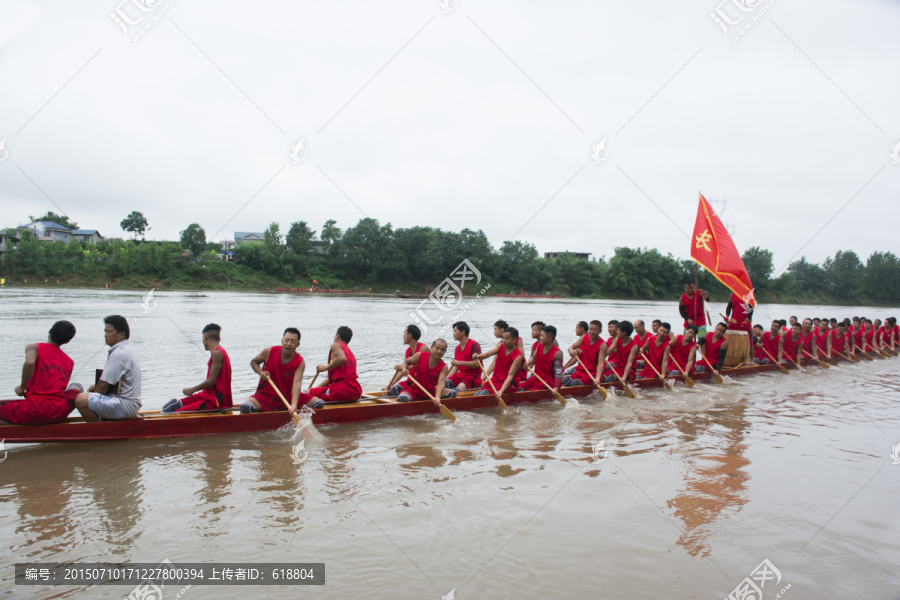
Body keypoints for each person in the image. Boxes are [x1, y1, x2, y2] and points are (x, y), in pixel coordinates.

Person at [0, 321, 78, 426]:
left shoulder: (34, 347)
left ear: (50, 331)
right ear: (67, 341)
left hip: (32, 409)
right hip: (57, 412)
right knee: (76, 386)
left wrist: (22, 387)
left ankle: (17, 427)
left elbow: (30, 362)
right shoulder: (69, 361)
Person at [73, 315, 142, 422]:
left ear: (122, 334)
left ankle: (98, 430)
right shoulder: (126, 349)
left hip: (125, 405)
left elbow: (104, 384)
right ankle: (103, 421)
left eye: (109, 332)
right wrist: (95, 391)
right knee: (92, 392)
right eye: (105, 331)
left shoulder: (119, 354)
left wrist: (93, 397)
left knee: (80, 399)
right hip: (130, 404)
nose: (105, 335)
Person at [163, 324, 232, 413]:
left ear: (205, 337)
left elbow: (212, 380)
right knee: (172, 405)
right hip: (206, 395)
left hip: (215, 402)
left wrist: (192, 390)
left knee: (176, 414)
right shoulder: (217, 352)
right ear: (219, 339)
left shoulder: (217, 353)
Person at [244, 327, 310, 414]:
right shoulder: (269, 351)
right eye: (286, 340)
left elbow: (297, 383)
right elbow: (254, 362)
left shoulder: (300, 362)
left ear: (298, 344)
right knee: (245, 407)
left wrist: (294, 405)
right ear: (282, 340)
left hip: (287, 397)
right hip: (266, 396)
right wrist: (261, 373)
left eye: (293, 342)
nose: (288, 344)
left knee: (319, 404)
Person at [308, 326, 363, 407]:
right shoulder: (350, 353)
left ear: (337, 336)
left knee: (304, 393)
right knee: (309, 392)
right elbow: (330, 380)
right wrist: (313, 390)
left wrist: (325, 368)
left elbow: (342, 358)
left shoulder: (335, 345)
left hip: (340, 391)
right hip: (355, 391)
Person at [390, 339, 455, 405]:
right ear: (432, 348)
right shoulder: (420, 355)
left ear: (445, 351)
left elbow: (441, 382)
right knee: (403, 399)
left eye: (442, 350)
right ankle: (402, 391)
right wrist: (404, 369)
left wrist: (437, 397)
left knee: (453, 393)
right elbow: (406, 362)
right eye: (437, 348)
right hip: (413, 389)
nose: (439, 351)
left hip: (428, 392)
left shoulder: (444, 367)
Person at [473, 328, 524, 397]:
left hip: (508, 385)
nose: (504, 341)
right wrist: (478, 356)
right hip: (494, 381)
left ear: (514, 339)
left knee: (483, 393)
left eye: (507, 338)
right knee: (478, 393)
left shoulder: (518, 356)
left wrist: (501, 391)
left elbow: (510, 376)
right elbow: (487, 354)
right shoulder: (501, 346)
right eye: (503, 338)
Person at [562, 320, 607, 387]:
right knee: (564, 380)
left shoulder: (603, 345)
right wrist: (571, 351)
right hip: (581, 371)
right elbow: (571, 347)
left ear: (600, 331)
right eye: (590, 329)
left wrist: (597, 378)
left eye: (594, 330)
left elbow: (601, 363)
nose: (591, 332)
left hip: (592, 374)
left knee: (575, 383)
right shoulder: (585, 337)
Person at [518, 325, 563, 392]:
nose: (540, 338)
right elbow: (533, 357)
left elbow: (558, 373)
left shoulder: (557, 353)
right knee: (519, 389)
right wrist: (528, 363)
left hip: (549, 382)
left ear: (549, 338)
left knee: (529, 392)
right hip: (537, 378)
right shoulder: (540, 345)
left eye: (542, 336)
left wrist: (556, 388)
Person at [384, 324, 427, 392]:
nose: (403, 336)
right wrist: (390, 385)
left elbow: (422, 368)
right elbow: (402, 370)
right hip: (412, 382)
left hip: (422, 384)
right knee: (394, 389)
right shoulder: (408, 351)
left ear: (410, 335)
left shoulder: (423, 349)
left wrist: (403, 367)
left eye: (404, 333)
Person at [445, 321, 483, 390]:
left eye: (455, 331)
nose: (453, 333)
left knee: (458, 389)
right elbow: (455, 368)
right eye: (453, 331)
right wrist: (444, 380)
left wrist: (459, 362)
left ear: (463, 332)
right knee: (444, 384)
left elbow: (477, 364)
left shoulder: (474, 345)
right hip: (460, 375)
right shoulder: (457, 348)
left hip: (472, 376)